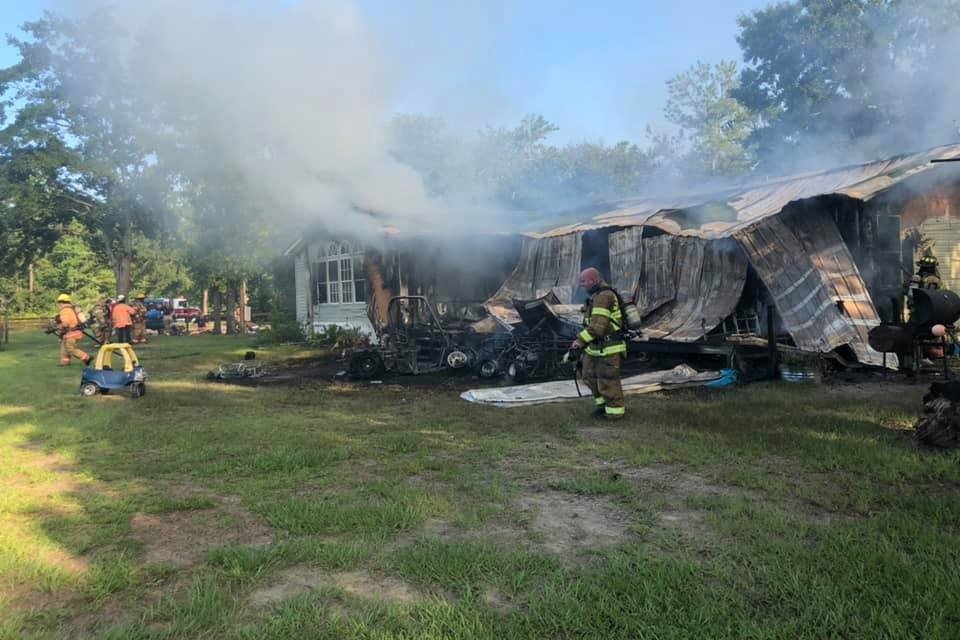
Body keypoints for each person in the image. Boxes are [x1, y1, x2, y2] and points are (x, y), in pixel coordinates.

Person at [571, 267, 627, 420]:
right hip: (595, 347)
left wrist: (579, 341)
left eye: (583, 281)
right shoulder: (596, 296)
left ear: (593, 280)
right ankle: (602, 407)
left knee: (607, 379)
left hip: (609, 347)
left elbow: (597, 327)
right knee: (588, 376)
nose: (581, 284)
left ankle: (614, 413)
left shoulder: (604, 296)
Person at [54, 293, 91, 366]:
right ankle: (65, 362)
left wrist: (58, 327)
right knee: (64, 347)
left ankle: (87, 357)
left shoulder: (65, 311)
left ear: (61, 302)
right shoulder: (72, 308)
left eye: (58, 303)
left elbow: (65, 324)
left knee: (70, 349)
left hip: (71, 333)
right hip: (76, 332)